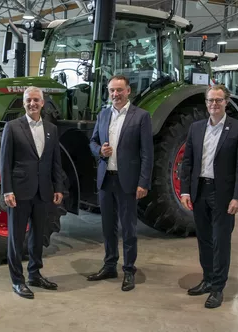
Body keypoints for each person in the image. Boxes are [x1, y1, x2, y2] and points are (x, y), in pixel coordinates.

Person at [180, 84, 238, 309]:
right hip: (200, 190)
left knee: (221, 241)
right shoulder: (196, 128)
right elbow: (187, 162)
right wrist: (185, 190)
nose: (214, 104)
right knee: (205, 240)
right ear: (206, 103)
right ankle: (208, 279)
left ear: (226, 102)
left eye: (219, 100)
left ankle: (218, 288)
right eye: (211, 100)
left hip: (223, 194)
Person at [88, 75, 153, 291]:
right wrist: (100, 151)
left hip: (128, 181)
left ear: (128, 91)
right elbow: (93, 141)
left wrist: (143, 183)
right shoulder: (103, 114)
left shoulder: (141, 116)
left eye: (119, 90)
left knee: (128, 229)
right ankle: (109, 265)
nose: (115, 94)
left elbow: (147, 153)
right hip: (106, 179)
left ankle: (129, 270)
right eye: (111, 90)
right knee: (108, 227)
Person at [0, 86, 64, 299]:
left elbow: (55, 161)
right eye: (29, 100)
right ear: (23, 103)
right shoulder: (12, 127)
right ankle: (17, 280)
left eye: (36, 100)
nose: (32, 103)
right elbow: (5, 162)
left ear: (43, 103)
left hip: (43, 191)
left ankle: (35, 274)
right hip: (19, 192)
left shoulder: (51, 129)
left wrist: (58, 187)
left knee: (38, 236)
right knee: (16, 238)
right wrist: (7, 190)